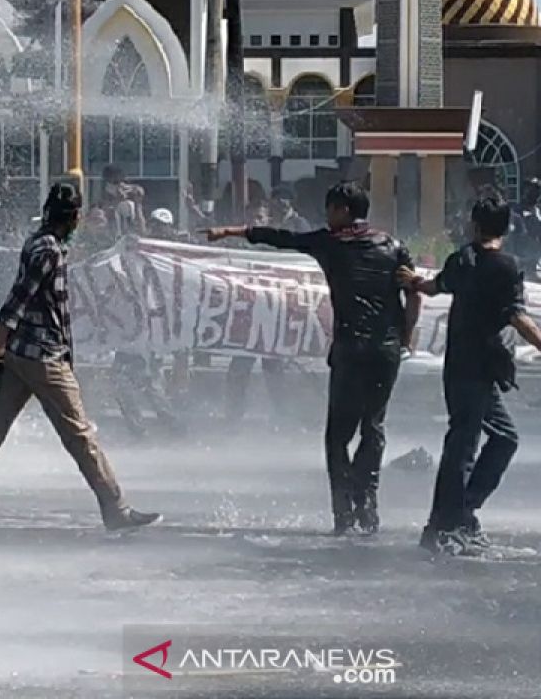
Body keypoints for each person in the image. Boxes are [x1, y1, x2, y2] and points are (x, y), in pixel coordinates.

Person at [0, 182, 162, 531]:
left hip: (21, 355)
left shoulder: (41, 243)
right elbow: (16, 302)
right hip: (43, 356)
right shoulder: (50, 252)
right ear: (72, 217)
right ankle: (116, 509)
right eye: (78, 216)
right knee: (80, 435)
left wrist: (2, 352)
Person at [204, 181, 421, 535]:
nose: (327, 215)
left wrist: (231, 231)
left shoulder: (330, 242)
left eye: (331, 208)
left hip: (351, 350)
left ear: (344, 211)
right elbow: (414, 292)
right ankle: (368, 506)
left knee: (337, 436)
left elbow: (282, 238)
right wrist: (407, 336)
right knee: (374, 426)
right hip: (386, 351)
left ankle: (344, 514)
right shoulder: (393, 246)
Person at [400, 192, 541, 555]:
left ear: (474, 224)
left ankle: (460, 513)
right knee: (464, 445)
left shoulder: (461, 259)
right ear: (506, 227)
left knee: (496, 439)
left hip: (464, 367)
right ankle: (446, 524)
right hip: (478, 369)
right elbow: (517, 316)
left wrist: (413, 281)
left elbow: (435, 287)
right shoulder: (506, 266)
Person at [99, 165, 146, 238]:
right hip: (109, 243)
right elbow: (103, 222)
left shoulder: (130, 203)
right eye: (116, 182)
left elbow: (142, 230)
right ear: (107, 183)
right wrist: (116, 201)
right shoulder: (100, 201)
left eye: (123, 181)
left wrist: (138, 203)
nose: (121, 185)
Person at [509, 178, 541, 281]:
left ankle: (531, 270)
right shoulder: (517, 210)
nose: (534, 193)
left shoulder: (538, 211)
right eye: (530, 189)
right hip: (522, 251)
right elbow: (513, 233)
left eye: (537, 190)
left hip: (535, 253)